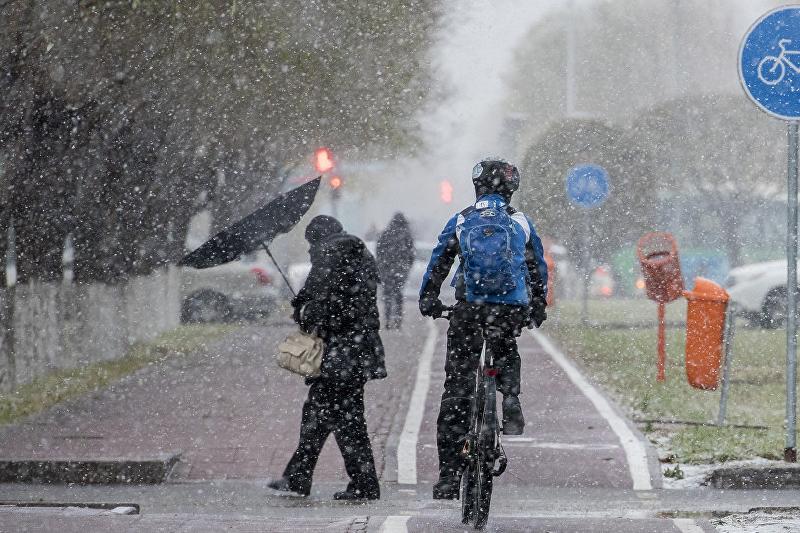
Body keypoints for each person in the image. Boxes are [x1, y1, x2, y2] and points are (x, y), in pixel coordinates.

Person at [419, 158, 548, 499]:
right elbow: (538, 267)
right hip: (508, 309)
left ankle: (448, 476)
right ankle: (512, 397)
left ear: (477, 187)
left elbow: (439, 261)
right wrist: (537, 306)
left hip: (469, 310)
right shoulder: (519, 220)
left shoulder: (462, 219)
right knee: (505, 344)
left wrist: (429, 299)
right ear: (510, 190)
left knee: (456, 389)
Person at [268, 215, 386, 501]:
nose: (311, 251)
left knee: (344, 419)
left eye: (311, 245)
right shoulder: (358, 252)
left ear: (317, 239)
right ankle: (299, 477)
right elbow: (345, 298)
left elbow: (325, 307)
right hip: (360, 350)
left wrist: (305, 312)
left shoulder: (328, 254)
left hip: (341, 353)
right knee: (322, 415)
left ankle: (363, 483)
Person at [376, 212, 415, 329]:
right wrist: (407, 267)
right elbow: (411, 254)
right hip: (400, 271)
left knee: (387, 295)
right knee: (398, 295)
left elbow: (379, 252)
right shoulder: (406, 235)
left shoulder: (386, 233)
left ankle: (387, 320)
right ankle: (398, 320)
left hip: (386, 270)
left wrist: (382, 266)